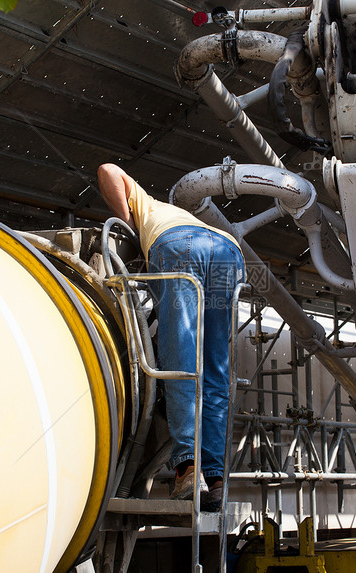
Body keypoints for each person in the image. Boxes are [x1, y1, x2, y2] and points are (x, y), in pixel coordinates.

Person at [97, 163, 245, 509]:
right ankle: (217, 478)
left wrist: (131, 227)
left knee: (181, 358)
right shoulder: (181, 213)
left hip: (180, 247)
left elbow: (108, 171)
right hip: (227, 252)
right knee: (214, 367)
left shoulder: (146, 205)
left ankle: (187, 469)